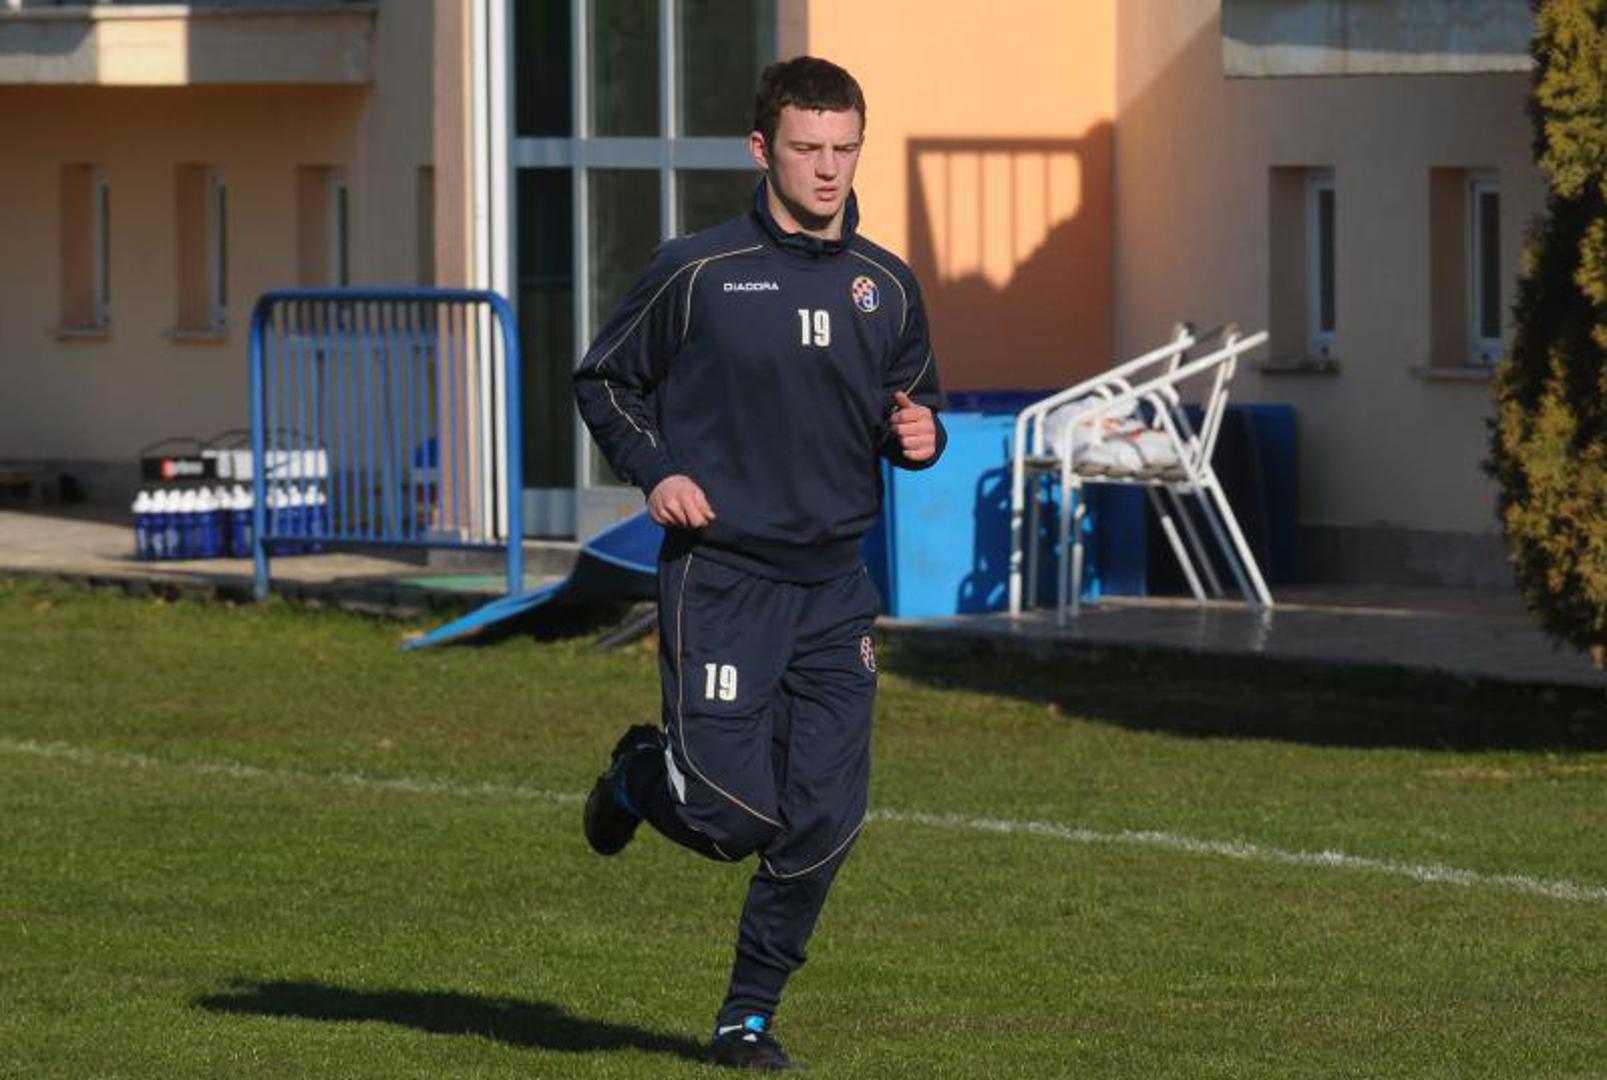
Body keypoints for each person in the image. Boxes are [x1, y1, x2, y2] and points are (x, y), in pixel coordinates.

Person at [572, 55, 945, 1072]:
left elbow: (907, 406)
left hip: (834, 590)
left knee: (825, 821)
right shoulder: (697, 271)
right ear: (760, 149)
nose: (827, 169)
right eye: (805, 148)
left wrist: (922, 435)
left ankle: (746, 1017)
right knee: (729, 817)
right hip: (724, 578)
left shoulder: (885, 287)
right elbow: (604, 381)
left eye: (843, 149)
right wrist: (656, 472)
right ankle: (638, 776)